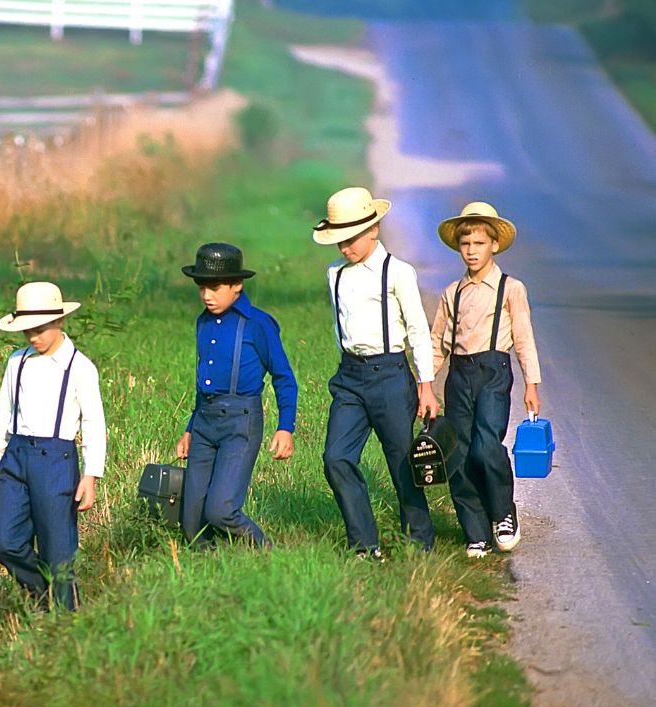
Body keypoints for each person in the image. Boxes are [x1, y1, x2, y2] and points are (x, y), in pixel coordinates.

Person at [313, 187, 439, 558]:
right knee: (336, 457)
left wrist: (426, 385)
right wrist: (346, 362)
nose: (344, 248)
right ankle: (364, 543)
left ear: (373, 230)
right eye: (339, 241)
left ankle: (418, 540)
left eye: (350, 239)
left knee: (401, 460)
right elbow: (340, 324)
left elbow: (417, 329)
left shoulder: (397, 272)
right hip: (350, 378)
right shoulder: (335, 274)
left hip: (390, 374)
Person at [0, 281, 106, 610]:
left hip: (56, 460)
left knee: (57, 549)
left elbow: (94, 422)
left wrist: (91, 475)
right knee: (1, 539)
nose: (32, 338)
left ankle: (66, 616)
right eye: (27, 331)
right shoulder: (17, 362)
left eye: (39, 330)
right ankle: (42, 592)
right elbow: (3, 413)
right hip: (16, 456)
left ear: (59, 321)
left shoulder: (79, 367)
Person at [430, 202, 541, 556]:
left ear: (494, 245)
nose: (472, 251)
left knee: (486, 446)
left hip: (494, 372)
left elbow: (523, 337)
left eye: (479, 243)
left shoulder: (510, 288)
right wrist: (425, 385)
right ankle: (475, 531)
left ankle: (503, 513)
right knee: (459, 453)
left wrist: (531, 384)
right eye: (465, 244)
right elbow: (438, 342)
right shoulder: (453, 292)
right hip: (459, 375)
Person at [174, 243, 297, 548]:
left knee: (220, 510)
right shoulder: (203, 322)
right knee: (191, 523)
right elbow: (203, 384)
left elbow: (284, 378)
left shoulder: (258, 324)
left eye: (215, 288)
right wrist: (190, 429)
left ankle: (265, 550)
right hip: (205, 422)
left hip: (240, 422)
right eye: (201, 287)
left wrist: (285, 427)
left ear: (237, 285)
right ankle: (209, 564)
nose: (207, 295)